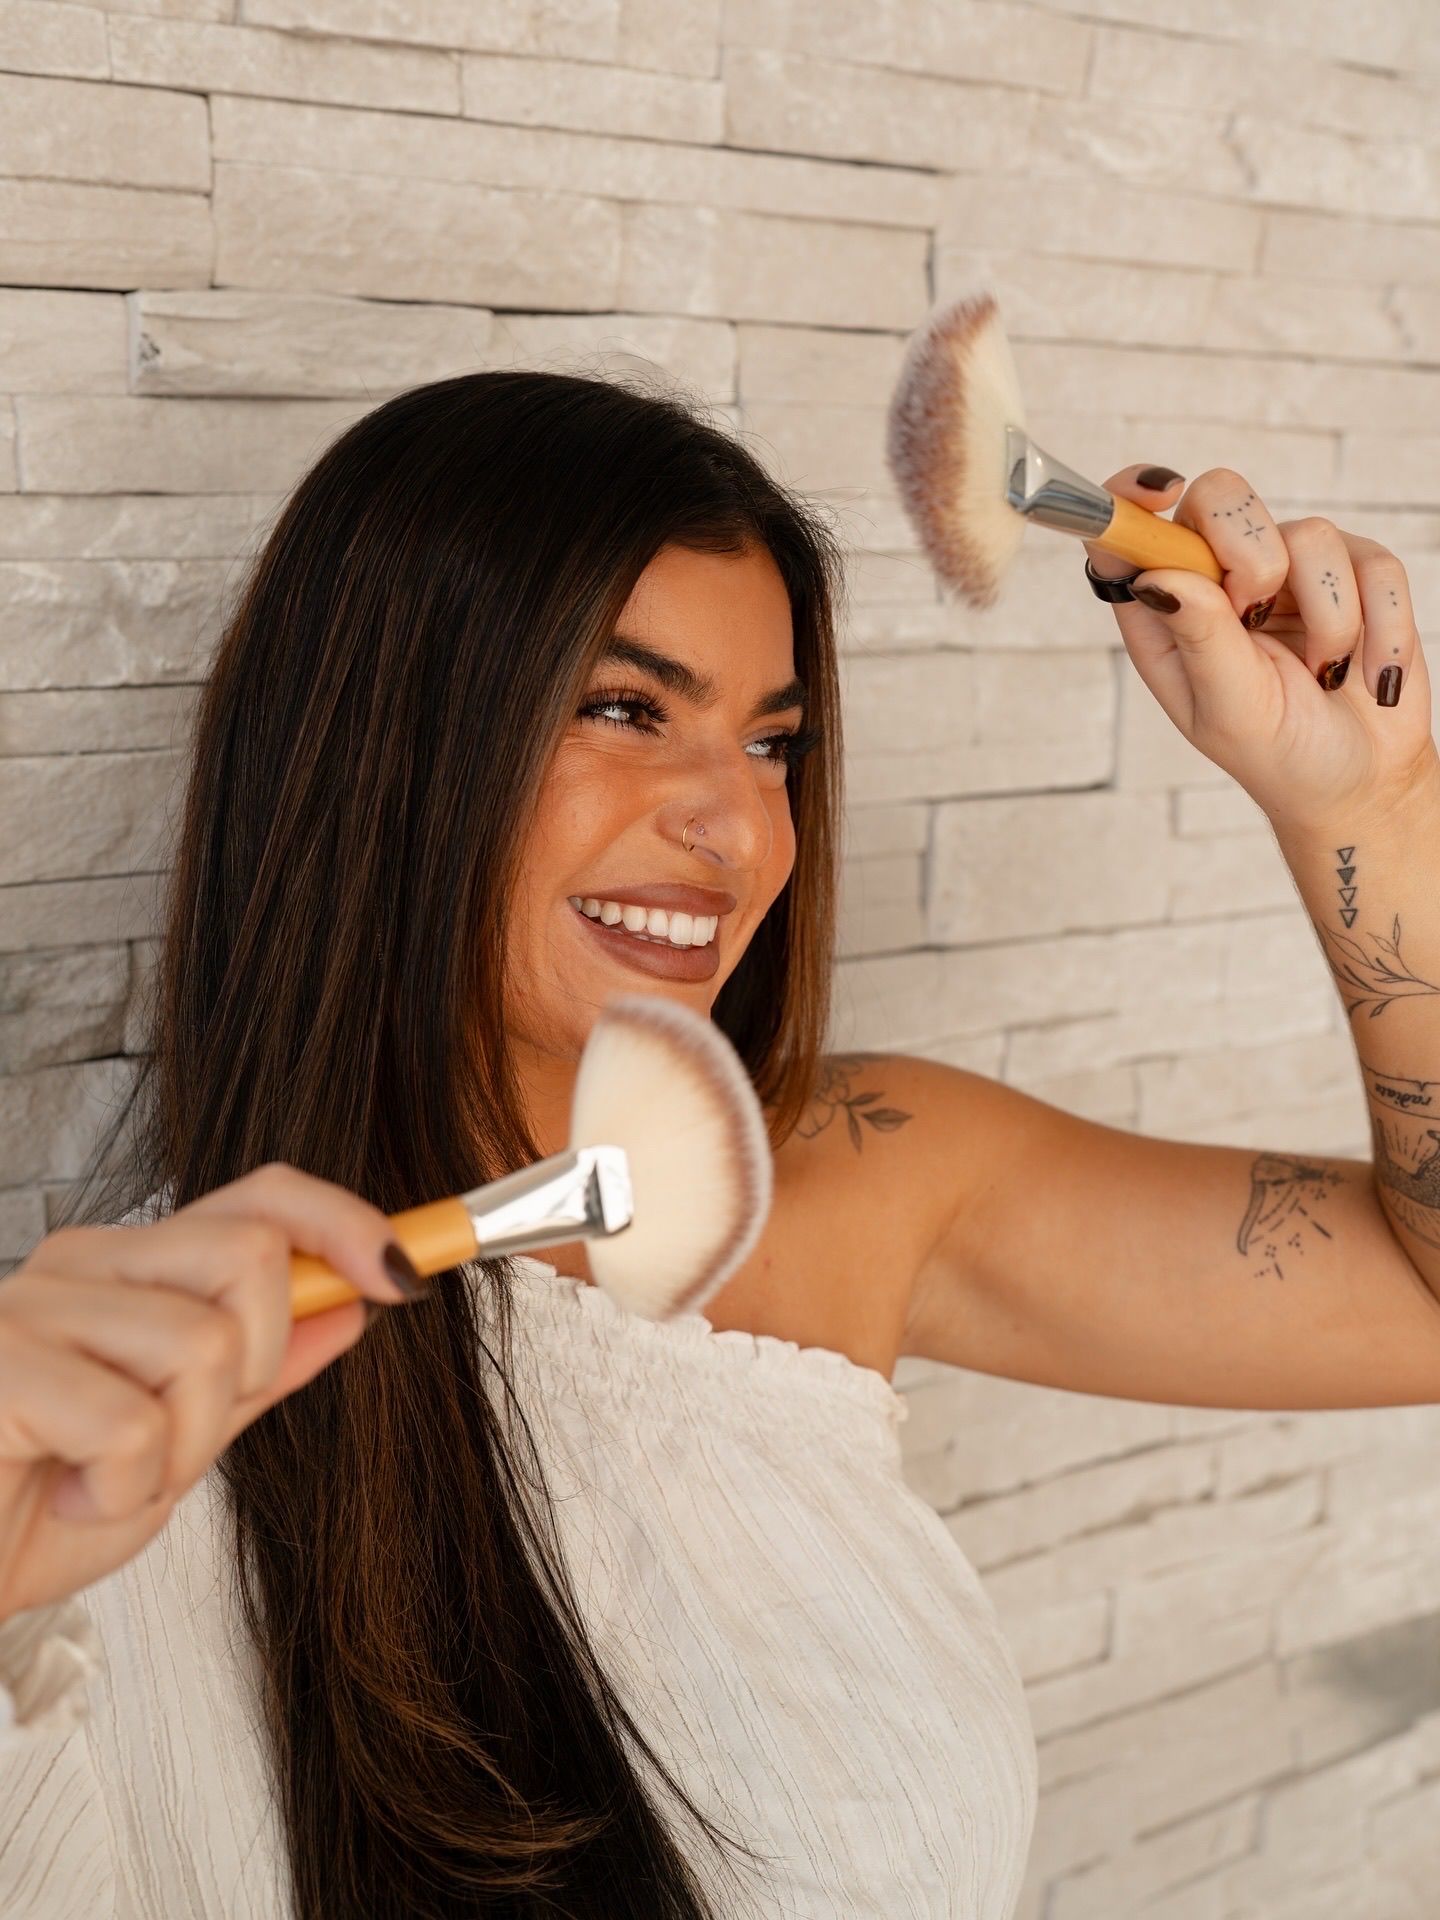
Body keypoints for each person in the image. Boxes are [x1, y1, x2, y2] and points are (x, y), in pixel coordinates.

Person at [0, 369, 1434, 1920]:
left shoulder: (860, 1175)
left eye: (773, 743)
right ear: (385, 746)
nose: (742, 834)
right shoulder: (118, 1435)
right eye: (624, 710)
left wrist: (1366, 804)